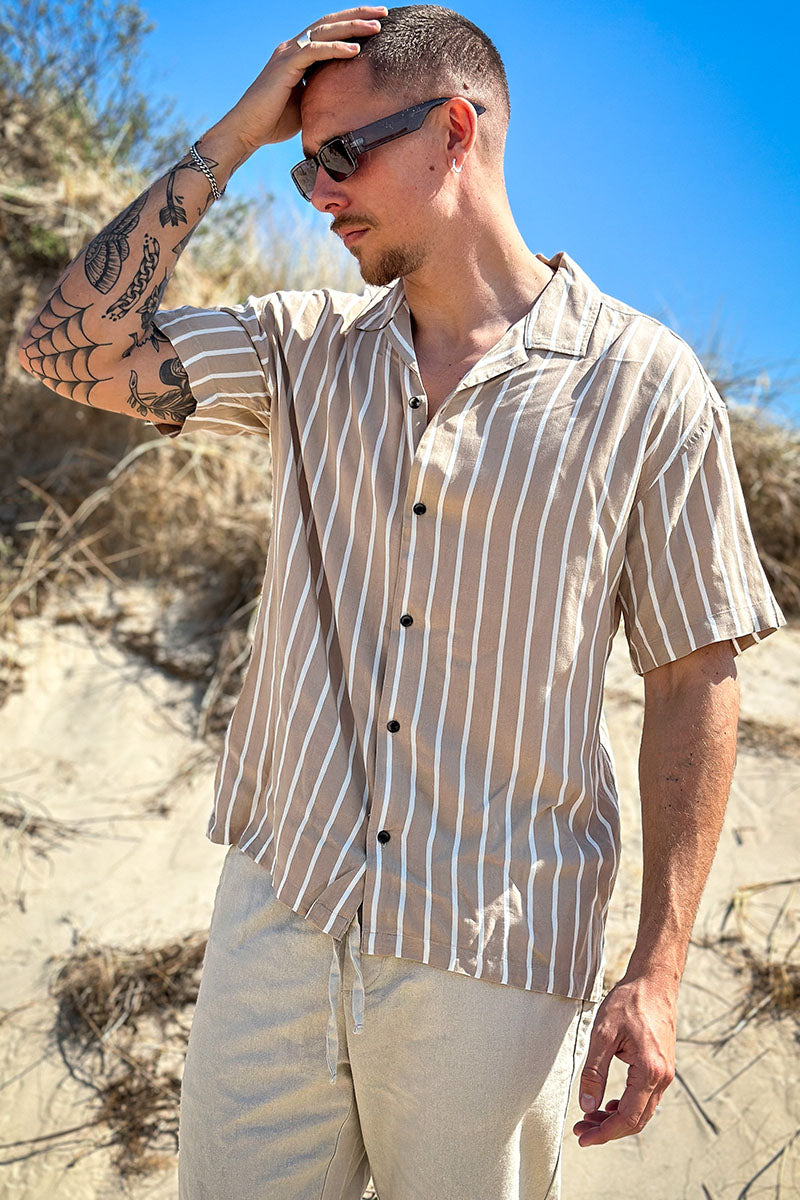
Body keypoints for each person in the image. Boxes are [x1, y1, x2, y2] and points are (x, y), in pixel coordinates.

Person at [17, 5, 787, 1198]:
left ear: (453, 132)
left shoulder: (645, 388)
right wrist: (234, 136)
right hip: (281, 917)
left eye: (339, 153)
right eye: (300, 164)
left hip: (491, 960)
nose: (317, 192)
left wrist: (657, 969)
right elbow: (64, 349)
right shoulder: (302, 348)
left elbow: (693, 678)